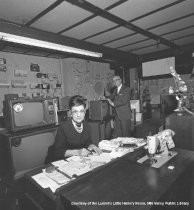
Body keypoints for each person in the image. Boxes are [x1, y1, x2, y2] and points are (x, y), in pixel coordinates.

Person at [54, 95, 102, 160]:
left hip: (81, 161)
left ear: (85, 112)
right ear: (71, 113)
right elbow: (57, 152)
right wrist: (77, 152)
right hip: (67, 162)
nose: (78, 115)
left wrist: (93, 146)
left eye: (81, 111)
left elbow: (88, 143)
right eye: (75, 111)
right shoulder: (63, 127)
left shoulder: (87, 126)